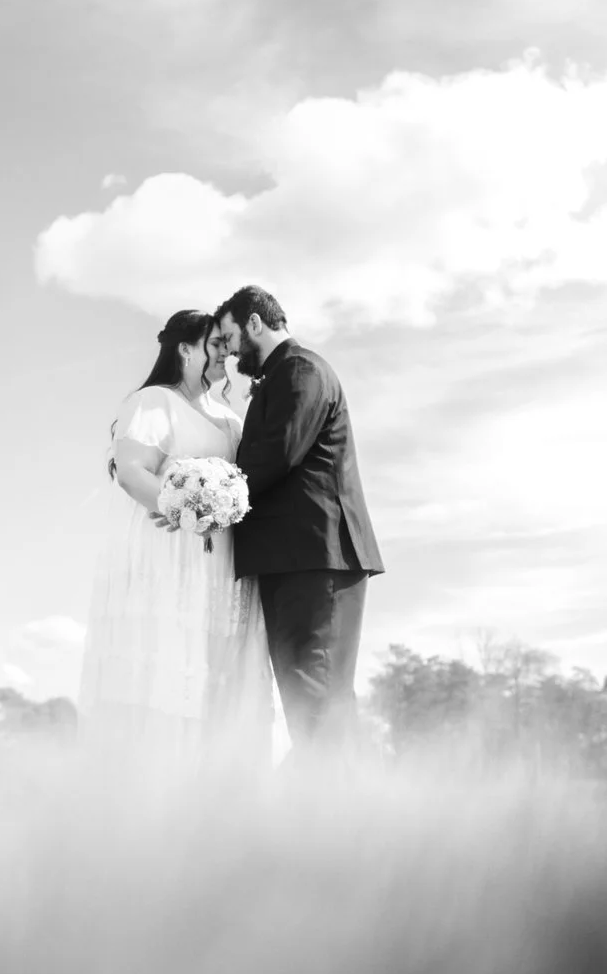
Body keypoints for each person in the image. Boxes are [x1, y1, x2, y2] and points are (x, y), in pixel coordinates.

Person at [74, 310, 275, 765]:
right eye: (216, 344)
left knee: (220, 671)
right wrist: (182, 509)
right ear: (185, 349)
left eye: (228, 343)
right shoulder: (153, 402)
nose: (227, 352)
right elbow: (130, 472)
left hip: (225, 565)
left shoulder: (230, 418)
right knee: (172, 668)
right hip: (172, 555)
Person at [212, 285, 383, 760]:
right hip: (297, 557)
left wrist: (214, 495)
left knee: (316, 692)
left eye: (228, 338)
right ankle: (338, 815)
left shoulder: (300, 370)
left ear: (253, 324)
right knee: (310, 696)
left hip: (315, 555)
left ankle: (337, 817)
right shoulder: (283, 373)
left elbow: (278, 453)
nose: (227, 352)